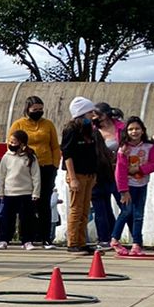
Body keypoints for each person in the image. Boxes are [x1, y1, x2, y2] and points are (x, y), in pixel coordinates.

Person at [8, 95, 61, 249]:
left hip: (46, 167)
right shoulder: (18, 124)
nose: (38, 112)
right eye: (35, 109)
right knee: (27, 204)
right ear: (27, 109)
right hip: (26, 168)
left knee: (44, 203)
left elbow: (55, 146)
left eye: (40, 109)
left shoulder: (48, 124)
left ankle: (45, 238)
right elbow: (10, 144)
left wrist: (55, 165)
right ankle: (28, 238)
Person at [112, 116, 154, 256]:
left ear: (143, 130)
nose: (134, 132)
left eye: (137, 129)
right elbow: (119, 171)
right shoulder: (123, 149)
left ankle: (136, 244)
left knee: (139, 215)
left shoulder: (150, 146)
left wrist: (141, 169)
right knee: (126, 212)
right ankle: (115, 239)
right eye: (131, 129)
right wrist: (123, 190)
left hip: (142, 185)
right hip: (128, 186)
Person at [59, 97, 101, 253]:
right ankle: (73, 241)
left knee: (85, 209)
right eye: (90, 112)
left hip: (89, 172)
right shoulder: (71, 129)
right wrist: (73, 177)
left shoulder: (89, 130)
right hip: (77, 173)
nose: (93, 115)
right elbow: (67, 154)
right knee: (76, 209)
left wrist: (94, 173)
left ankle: (82, 241)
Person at [0, 130, 42, 250]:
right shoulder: (6, 157)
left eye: (14, 142)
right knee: (7, 218)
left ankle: (27, 241)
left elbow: (36, 176)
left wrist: (36, 192)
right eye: (10, 142)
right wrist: (0, 192)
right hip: (9, 192)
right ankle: (4, 240)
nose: (11, 144)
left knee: (26, 218)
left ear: (22, 144)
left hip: (26, 192)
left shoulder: (30, 157)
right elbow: (1, 176)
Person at [90, 101, 122, 248]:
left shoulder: (121, 128)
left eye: (97, 115)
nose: (95, 118)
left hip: (118, 172)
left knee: (125, 206)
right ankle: (105, 238)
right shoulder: (92, 130)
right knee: (102, 208)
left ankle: (125, 236)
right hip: (100, 172)